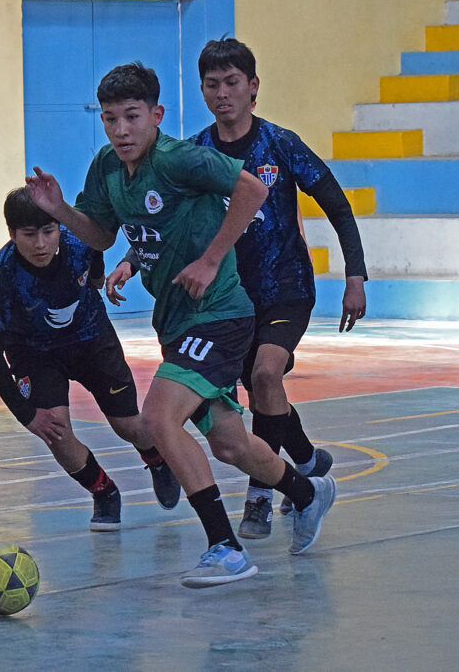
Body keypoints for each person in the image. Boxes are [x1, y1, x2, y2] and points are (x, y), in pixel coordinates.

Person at [25, 62, 336, 588]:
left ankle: (225, 549)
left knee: (159, 419)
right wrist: (60, 212)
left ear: (156, 115)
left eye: (131, 117)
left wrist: (213, 258)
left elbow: (252, 191)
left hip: (220, 313)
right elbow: (100, 236)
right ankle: (309, 494)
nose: (120, 130)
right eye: (109, 119)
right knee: (231, 445)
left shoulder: (180, 158)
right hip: (175, 322)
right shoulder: (106, 166)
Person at [107, 38, 367, 539]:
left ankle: (260, 495)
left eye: (232, 83)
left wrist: (355, 274)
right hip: (226, 300)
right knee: (255, 386)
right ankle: (306, 459)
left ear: (253, 88)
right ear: (202, 91)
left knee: (266, 374)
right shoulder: (196, 153)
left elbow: (337, 203)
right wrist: (129, 258)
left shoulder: (281, 144)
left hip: (284, 287)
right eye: (211, 84)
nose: (222, 93)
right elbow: (171, 226)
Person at [0, 187, 182, 532]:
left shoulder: (80, 243)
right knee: (54, 432)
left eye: (48, 231)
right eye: (28, 235)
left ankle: (157, 459)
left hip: (91, 340)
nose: (40, 244)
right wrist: (27, 415)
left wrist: (101, 278)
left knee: (129, 425)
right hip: (34, 354)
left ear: (60, 227)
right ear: (11, 234)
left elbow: (98, 252)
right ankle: (103, 491)